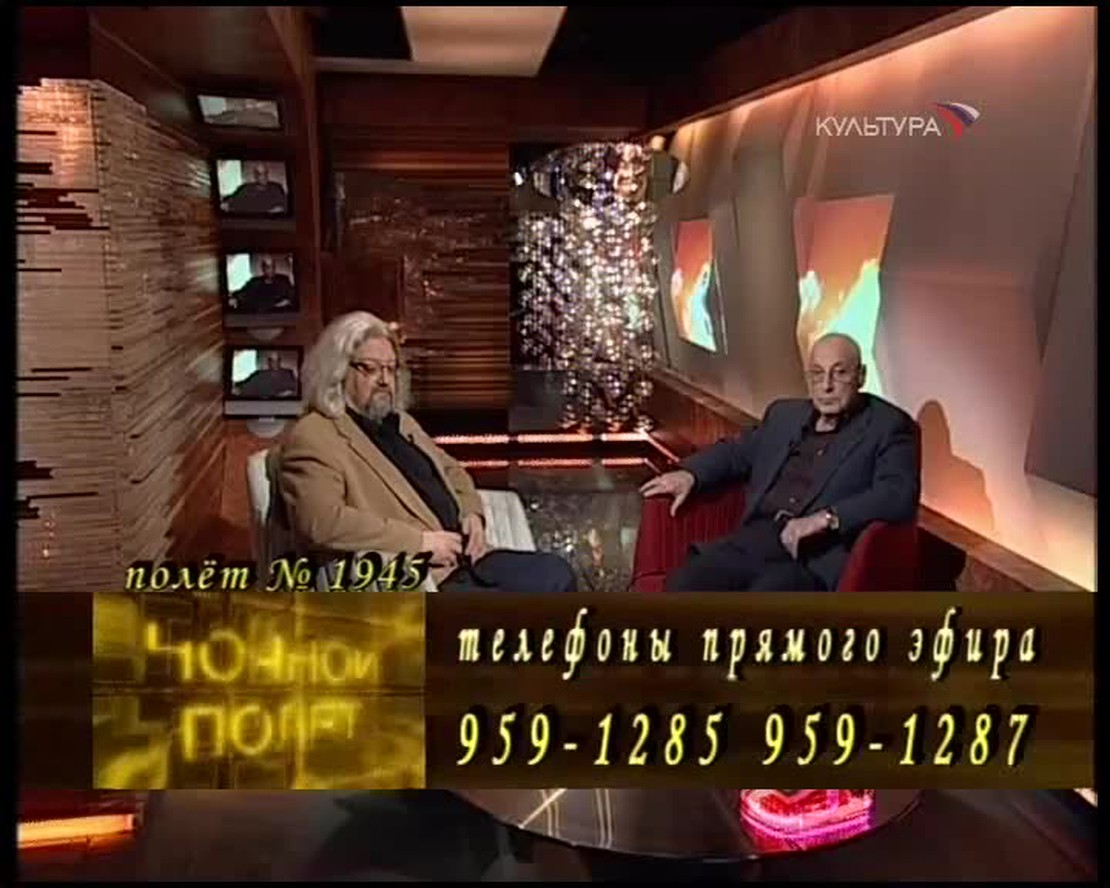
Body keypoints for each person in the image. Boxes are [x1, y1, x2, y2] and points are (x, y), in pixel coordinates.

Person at [276, 311, 577, 593]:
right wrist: (420, 543)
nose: (384, 380)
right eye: (370, 368)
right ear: (338, 370)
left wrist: (471, 513)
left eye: (390, 369)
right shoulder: (315, 433)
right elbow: (321, 522)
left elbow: (452, 470)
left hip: (468, 559)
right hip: (419, 578)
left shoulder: (401, 423)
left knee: (556, 572)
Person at [640, 333, 920, 591]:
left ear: (860, 376)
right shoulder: (784, 415)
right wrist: (690, 474)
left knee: (767, 598)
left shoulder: (887, 426)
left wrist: (826, 519)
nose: (826, 386)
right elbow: (737, 452)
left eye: (840, 373)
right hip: (755, 541)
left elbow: (897, 494)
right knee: (685, 584)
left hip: (810, 558)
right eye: (817, 374)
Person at [231, 256, 295, 313]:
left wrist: (285, 302)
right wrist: (235, 298)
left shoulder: (283, 280)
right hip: (259, 315)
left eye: (273, 267)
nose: (271, 270)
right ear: (263, 269)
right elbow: (242, 293)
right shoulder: (254, 282)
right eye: (268, 267)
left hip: (279, 314)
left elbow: (291, 296)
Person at [222, 163, 287, 215]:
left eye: (265, 173)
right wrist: (226, 203)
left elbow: (284, 204)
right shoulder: (244, 187)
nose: (263, 177)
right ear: (255, 176)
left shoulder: (276, 187)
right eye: (260, 174)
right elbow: (231, 199)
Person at [234, 352, 299, 399]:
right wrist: (238, 387)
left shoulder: (287, 373)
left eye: (277, 360)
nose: (275, 363)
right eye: (272, 360)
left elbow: (293, 388)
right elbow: (245, 382)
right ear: (269, 362)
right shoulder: (260, 373)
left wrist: (279, 396)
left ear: (280, 361)